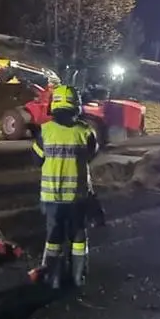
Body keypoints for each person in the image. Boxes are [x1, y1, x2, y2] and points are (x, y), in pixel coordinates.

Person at [31, 84, 100, 289]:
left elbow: (36, 160)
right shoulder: (86, 132)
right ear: (76, 106)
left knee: (54, 238)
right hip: (77, 198)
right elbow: (91, 155)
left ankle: (53, 278)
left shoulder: (44, 131)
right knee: (78, 236)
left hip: (52, 199)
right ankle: (79, 277)